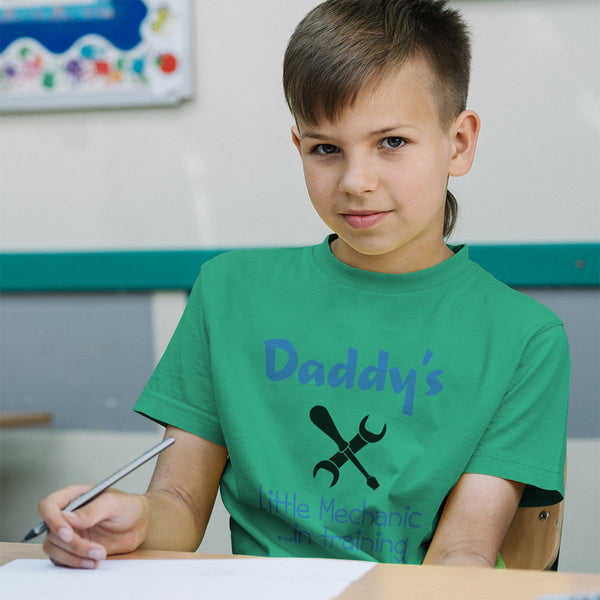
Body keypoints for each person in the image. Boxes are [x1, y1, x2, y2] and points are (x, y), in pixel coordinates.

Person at [38, 0, 569, 570]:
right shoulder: (228, 293)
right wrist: (135, 518)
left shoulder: (526, 338)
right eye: (326, 148)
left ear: (458, 143)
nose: (355, 181)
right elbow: (180, 505)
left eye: (391, 142)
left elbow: (462, 552)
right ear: (300, 148)